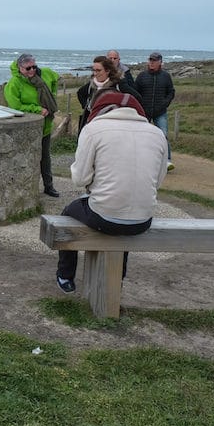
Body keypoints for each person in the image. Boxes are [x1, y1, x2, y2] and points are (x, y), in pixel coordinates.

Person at [55, 91, 168, 293]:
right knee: (121, 221)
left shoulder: (94, 129)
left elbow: (79, 179)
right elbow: (158, 181)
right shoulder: (157, 133)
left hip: (103, 217)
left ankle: (65, 275)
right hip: (142, 220)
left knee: (69, 213)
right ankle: (117, 280)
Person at [5, 53, 60, 197]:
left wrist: (51, 96)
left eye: (34, 67)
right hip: (26, 129)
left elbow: (56, 79)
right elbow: (15, 105)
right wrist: (37, 109)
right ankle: (23, 189)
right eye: (28, 68)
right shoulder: (14, 83)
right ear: (19, 68)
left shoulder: (45, 73)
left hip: (46, 125)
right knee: (25, 158)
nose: (32, 71)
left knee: (45, 157)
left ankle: (49, 186)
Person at [76, 55, 142, 131]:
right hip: (93, 124)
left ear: (107, 71)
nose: (95, 73)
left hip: (114, 126)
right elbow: (80, 93)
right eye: (94, 70)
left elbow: (137, 98)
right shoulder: (91, 85)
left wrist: (124, 113)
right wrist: (88, 107)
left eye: (98, 70)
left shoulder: (118, 84)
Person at [135, 52, 176, 170]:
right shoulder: (142, 76)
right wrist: (140, 105)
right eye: (150, 60)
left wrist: (165, 104)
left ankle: (167, 160)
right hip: (144, 111)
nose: (151, 62)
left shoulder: (166, 76)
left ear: (160, 62)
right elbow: (136, 92)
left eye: (154, 60)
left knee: (163, 136)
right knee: (142, 136)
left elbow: (171, 92)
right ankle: (141, 159)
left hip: (160, 112)